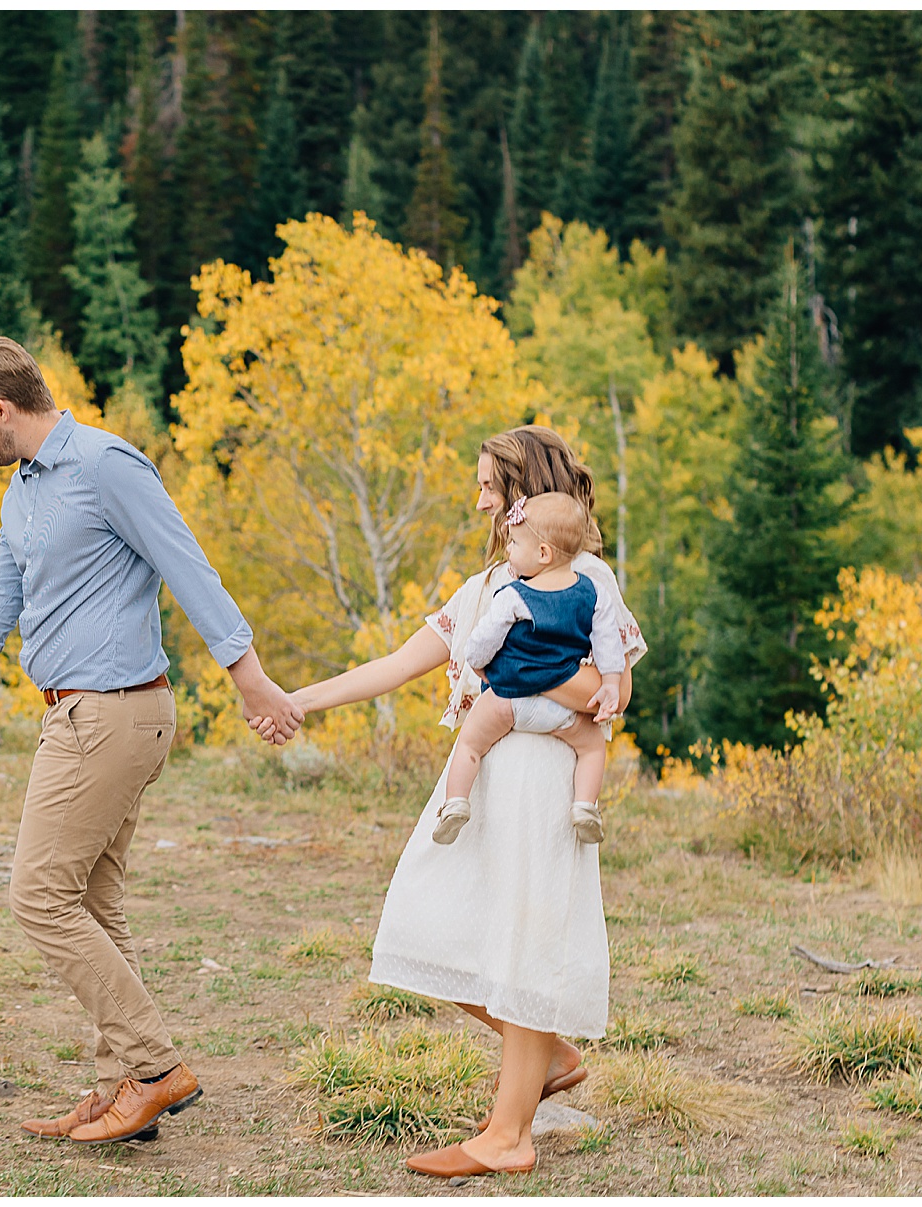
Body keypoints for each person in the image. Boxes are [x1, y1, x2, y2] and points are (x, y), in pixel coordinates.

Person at [0, 336, 303, 1145]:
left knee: (38, 895)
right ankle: (123, 1093)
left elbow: (190, 567)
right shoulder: (23, 491)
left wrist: (250, 679)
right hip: (76, 713)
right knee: (94, 902)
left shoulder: (109, 466)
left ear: (2, 409)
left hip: (113, 713)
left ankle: (153, 1067)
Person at [254, 425, 645, 1178]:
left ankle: (509, 1137)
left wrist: (517, 671)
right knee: (423, 922)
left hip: (541, 777)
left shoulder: (586, 578)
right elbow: (397, 664)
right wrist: (293, 701)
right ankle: (548, 1056)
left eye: (488, 487)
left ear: (524, 495)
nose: (479, 501)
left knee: (523, 944)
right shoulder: (490, 586)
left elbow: (605, 694)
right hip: (483, 777)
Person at [435, 491, 625, 847]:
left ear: (542, 553)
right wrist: (610, 683)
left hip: (509, 698)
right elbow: (608, 646)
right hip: (563, 709)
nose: (508, 550)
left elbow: (481, 643)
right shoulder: (593, 592)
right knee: (593, 748)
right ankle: (585, 806)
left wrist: (478, 667)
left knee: (470, 743)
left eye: (515, 543)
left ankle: (455, 803)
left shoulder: (512, 594)